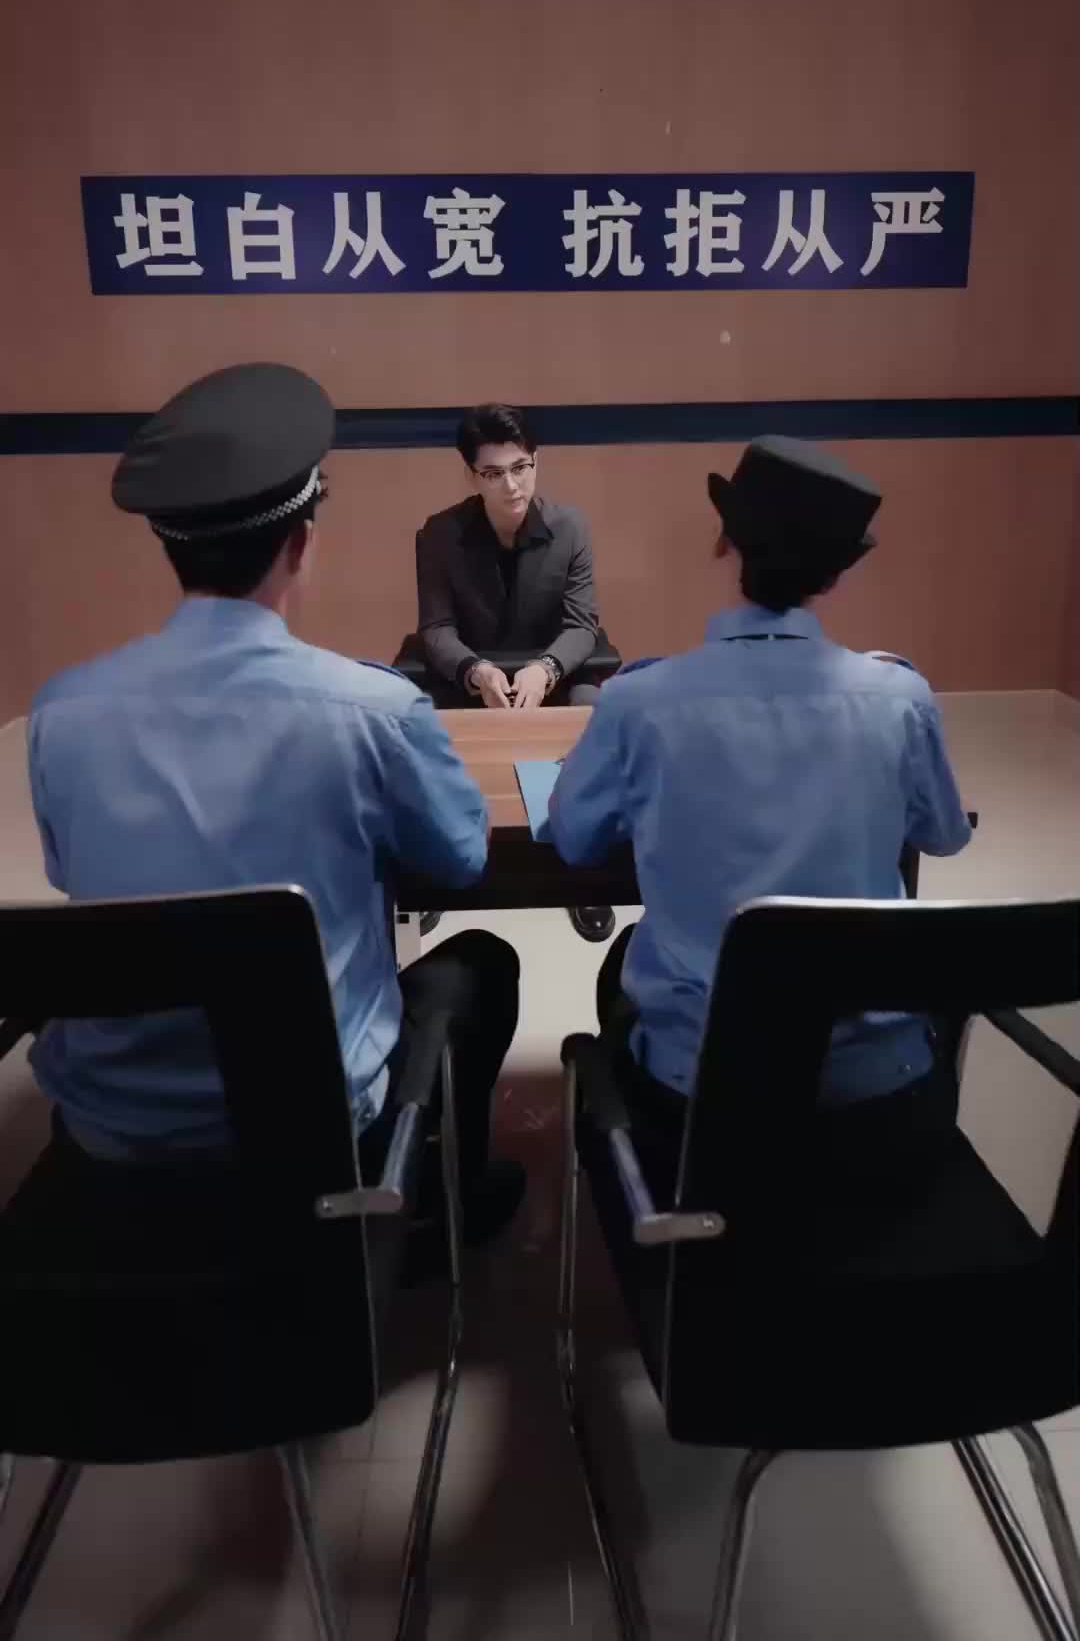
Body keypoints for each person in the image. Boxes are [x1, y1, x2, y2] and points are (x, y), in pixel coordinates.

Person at [26, 362, 524, 1246]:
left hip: (109, 1139)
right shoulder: (374, 710)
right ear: (302, 543)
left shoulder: (61, 711)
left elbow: (75, 876)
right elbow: (460, 861)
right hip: (309, 1130)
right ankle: (440, 1212)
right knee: (481, 962)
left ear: (170, 547)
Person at [548, 434, 973, 1209]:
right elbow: (945, 835)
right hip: (885, 1111)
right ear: (837, 575)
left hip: (699, 1103)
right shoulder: (899, 699)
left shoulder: (639, 701)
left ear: (727, 541)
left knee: (623, 972)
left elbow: (575, 840)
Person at [411, 401, 616, 944]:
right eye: (493, 473)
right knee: (420, 726)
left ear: (536, 462)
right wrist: (474, 670)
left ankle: (586, 875)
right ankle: (438, 873)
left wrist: (545, 669)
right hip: (472, 676)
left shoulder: (570, 528)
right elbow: (435, 628)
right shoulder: (439, 534)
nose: (511, 486)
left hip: (553, 673)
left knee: (594, 714)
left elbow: (582, 625)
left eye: (521, 467)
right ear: (471, 475)